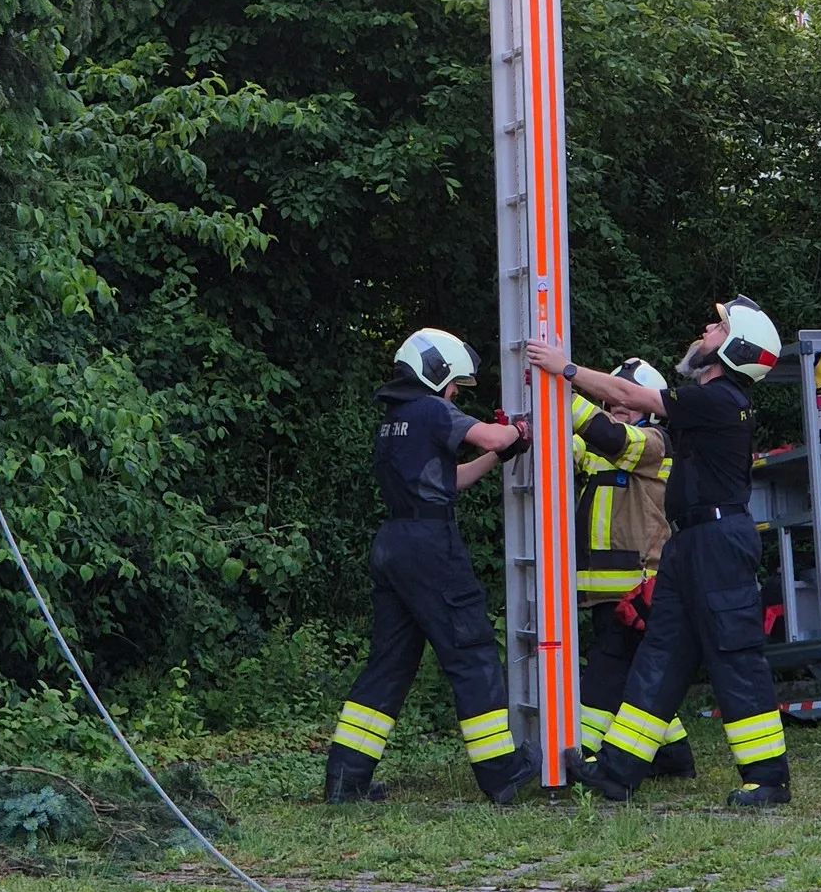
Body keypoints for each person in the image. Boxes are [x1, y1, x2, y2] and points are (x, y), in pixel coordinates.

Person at [529, 296, 789, 809]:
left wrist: (565, 370)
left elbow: (630, 394)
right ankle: (618, 771)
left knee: (734, 657)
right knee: (660, 655)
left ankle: (769, 779)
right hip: (690, 542)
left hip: (716, 542)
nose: (706, 327)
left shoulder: (717, 399)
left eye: (717, 327)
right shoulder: (708, 400)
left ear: (734, 348)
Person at [323, 328, 542, 807]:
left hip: (394, 545)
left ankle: (346, 778)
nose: (456, 393)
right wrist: (517, 434)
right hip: (429, 545)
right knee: (472, 653)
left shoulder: (395, 419)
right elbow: (492, 432)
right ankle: (502, 773)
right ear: (437, 372)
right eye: (455, 385)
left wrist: (495, 456)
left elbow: (450, 479)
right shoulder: (431, 408)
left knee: (388, 664)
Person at [572, 360, 695, 779]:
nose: (615, 406)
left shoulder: (655, 441)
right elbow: (574, 448)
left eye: (626, 400)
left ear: (650, 409)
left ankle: (583, 749)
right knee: (635, 672)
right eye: (610, 399)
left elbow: (611, 437)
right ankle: (674, 753)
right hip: (602, 585)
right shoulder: (598, 446)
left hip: (640, 583)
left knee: (610, 664)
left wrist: (561, 392)